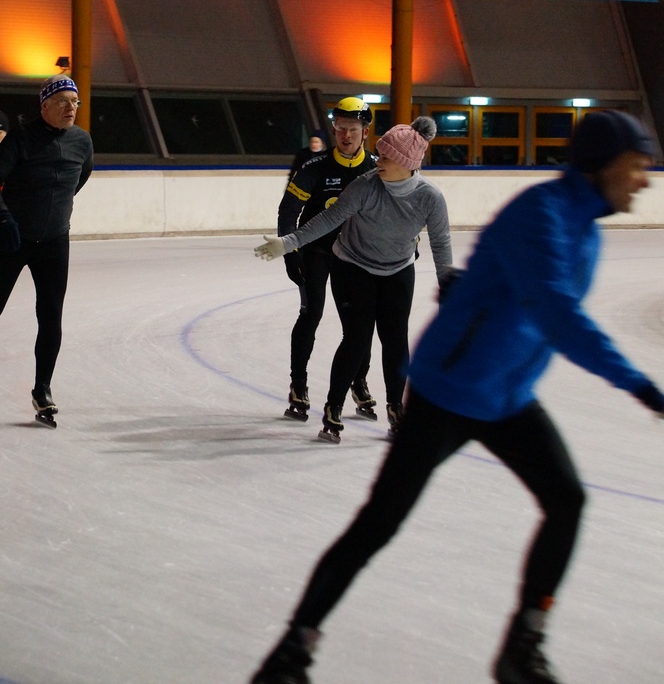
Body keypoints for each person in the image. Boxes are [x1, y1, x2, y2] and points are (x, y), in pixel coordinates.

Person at [249, 109, 664, 684]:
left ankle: (523, 644)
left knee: (566, 500)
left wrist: (451, 280)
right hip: (450, 390)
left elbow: (456, 255)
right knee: (380, 522)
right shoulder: (541, 214)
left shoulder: (584, 230)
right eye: (635, 166)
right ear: (602, 164)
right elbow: (557, 312)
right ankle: (292, 650)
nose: (644, 180)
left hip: (506, 394)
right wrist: (642, 386)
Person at [257, 116, 454, 441]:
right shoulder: (366, 185)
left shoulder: (429, 197)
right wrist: (288, 243)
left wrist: (448, 286)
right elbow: (330, 218)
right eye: (380, 154)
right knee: (357, 338)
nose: (379, 161)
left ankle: (396, 408)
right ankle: (333, 408)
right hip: (353, 266)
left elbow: (441, 242)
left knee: (395, 339)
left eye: (387, 157)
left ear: (407, 162)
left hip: (398, 269)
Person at [0, 74, 94, 426]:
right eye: (63, 102)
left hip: (54, 242)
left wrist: (54, 212)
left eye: (75, 102)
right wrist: (5, 219)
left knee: (51, 316)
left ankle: (43, 389)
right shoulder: (21, 139)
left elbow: (79, 180)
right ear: (45, 106)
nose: (71, 108)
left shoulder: (82, 141)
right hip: (13, 239)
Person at [276, 97, 377, 422]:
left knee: (360, 323)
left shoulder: (376, 168)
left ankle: (358, 381)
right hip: (317, 251)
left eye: (353, 129)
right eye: (341, 128)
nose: (346, 135)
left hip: (356, 255)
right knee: (311, 313)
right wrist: (290, 251)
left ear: (365, 132)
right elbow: (288, 211)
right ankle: (298, 386)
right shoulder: (315, 167)